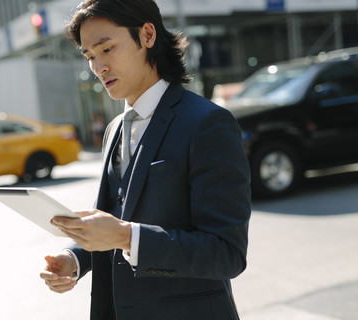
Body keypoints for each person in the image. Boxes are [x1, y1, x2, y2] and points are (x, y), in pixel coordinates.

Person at [39, 1, 251, 319]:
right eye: (90, 56)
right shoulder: (114, 129)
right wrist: (75, 258)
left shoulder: (207, 123)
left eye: (107, 48)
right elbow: (116, 218)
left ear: (147, 35)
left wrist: (126, 236)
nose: (98, 67)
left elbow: (226, 253)